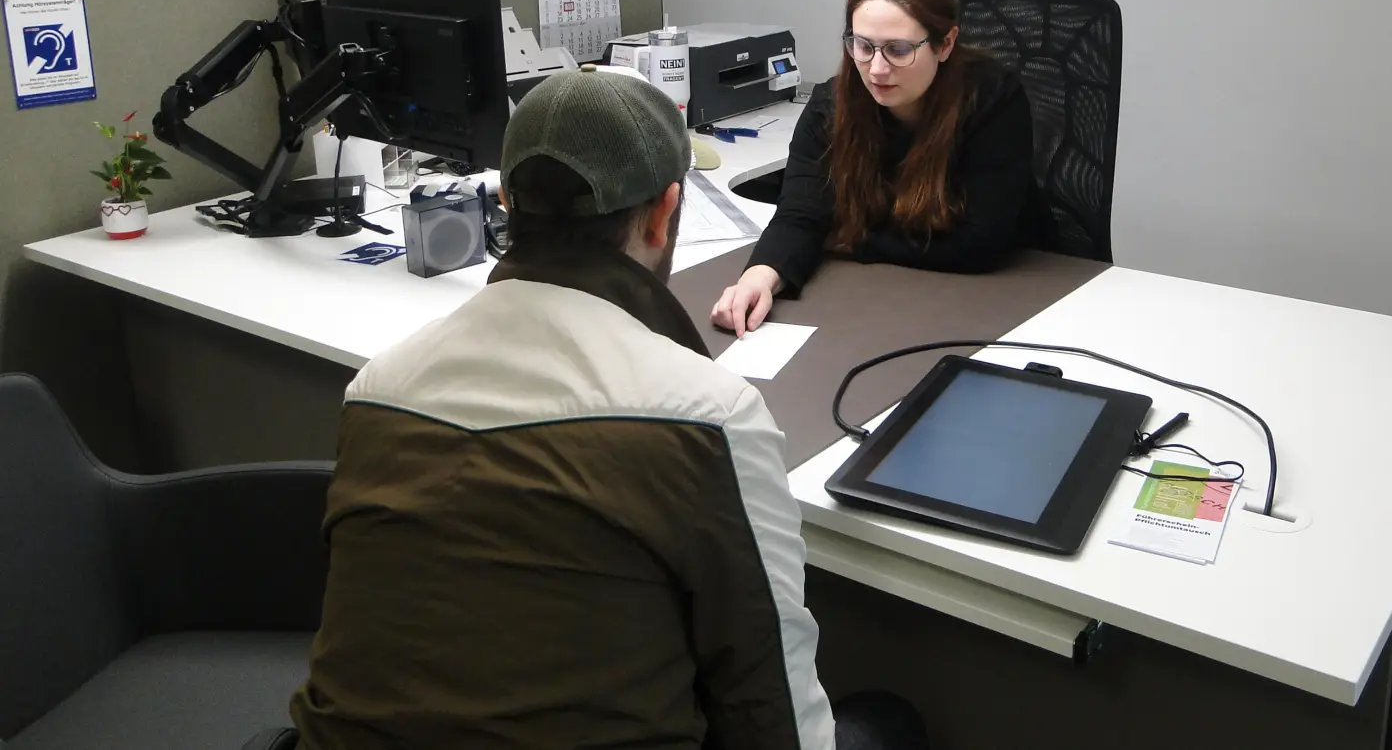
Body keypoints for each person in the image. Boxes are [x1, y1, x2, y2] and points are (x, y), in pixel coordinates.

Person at [282, 66, 928, 750]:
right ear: (664, 211)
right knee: (885, 724)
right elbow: (771, 705)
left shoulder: (380, 387)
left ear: (505, 203)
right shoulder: (705, 416)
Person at [711, 0, 1035, 336]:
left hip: (1006, 295)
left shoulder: (993, 99)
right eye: (862, 45)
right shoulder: (833, 103)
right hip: (882, 297)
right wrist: (759, 278)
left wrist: (849, 239)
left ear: (945, 44)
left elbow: (980, 243)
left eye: (898, 50)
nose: (876, 69)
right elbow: (801, 213)